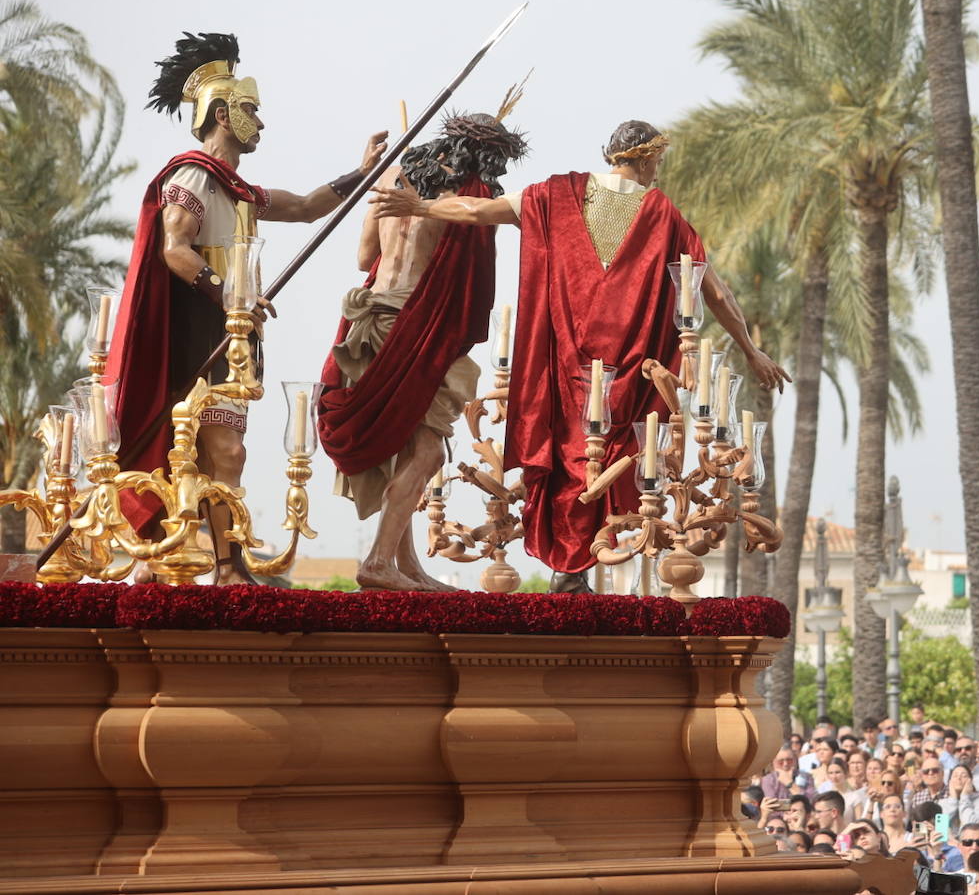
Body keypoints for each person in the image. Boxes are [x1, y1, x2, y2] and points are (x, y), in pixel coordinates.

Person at [370, 120, 788, 591]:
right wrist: (751, 350)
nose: (657, 173)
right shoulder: (663, 215)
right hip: (628, 371)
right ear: (647, 159)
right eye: (658, 164)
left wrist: (420, 205)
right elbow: (711, 289)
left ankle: (569, 572)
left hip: (561, 365)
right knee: (618, 460)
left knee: (567, 459)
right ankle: (574, 573)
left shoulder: (553, 194)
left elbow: (478, 212)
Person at [110, 31, 386, 582]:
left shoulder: (238, 191)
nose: (260, 123)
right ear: (220, 112)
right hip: (201, 331)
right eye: (250, 110)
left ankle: (191, 562)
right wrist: (231, 294)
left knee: (218, 454)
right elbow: (174, 250)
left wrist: (363, 172)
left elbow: (308, 207)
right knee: (221, 452)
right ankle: (222, 565)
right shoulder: (193, 176)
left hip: (235, 335)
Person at [319, 111, 527, 591]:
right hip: (417, 324)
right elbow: (473, 268)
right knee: (429, 450)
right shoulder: (470, 195)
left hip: (369, 319)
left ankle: (404, 563)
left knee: (409, 446)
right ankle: (377, 561)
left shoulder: (393, 175)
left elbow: (364, 259)